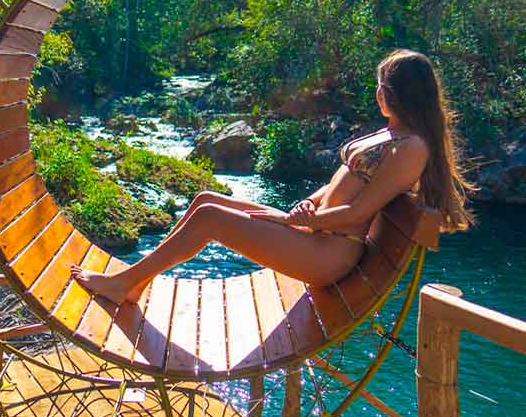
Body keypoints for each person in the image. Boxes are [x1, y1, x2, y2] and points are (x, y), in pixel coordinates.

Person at [72, 49, 474, 304]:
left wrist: (296, 220)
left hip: (331, 253)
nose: (376, 93)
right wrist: (310, 204)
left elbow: (359, 212)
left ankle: (125, 283)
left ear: (399, 92)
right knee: (206, 201)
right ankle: (136, 282)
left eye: (380, 86)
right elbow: (341, 183)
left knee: (212, 220)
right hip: (315, 231)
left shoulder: (413, 147)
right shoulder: (393, 132)